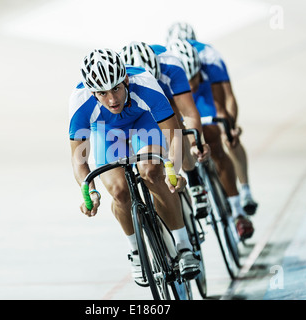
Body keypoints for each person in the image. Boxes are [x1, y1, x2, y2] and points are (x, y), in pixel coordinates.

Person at [69, 48, 200, 286]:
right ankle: (136, 253)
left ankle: (183, 246)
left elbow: (173, 136)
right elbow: (79, 159)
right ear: (91, 92)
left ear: (126, 79)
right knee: (119, 191)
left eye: (117, 88)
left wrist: (176, 171)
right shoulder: (79, 102)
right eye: (102, 93)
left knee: (151, 172)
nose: (112, 99)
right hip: (107, 132)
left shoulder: (145, 84)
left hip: (143, 122)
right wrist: (90, 192)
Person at [167, 22, 259, 215]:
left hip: (205, 93)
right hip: (178, 95)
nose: (191, 84)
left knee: (224, 136)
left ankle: (244, 193)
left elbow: (227, 99)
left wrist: (230, 126)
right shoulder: (168, 67)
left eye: (194, 77)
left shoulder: (210, 58)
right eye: (187, 80)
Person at [120, 41, 211, 218]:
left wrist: (195, 142)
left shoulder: (171, 66)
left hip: (168, 98)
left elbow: (189, 112)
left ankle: (194, 180)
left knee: (175, 120)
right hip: (139, 107)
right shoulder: (120, 78)